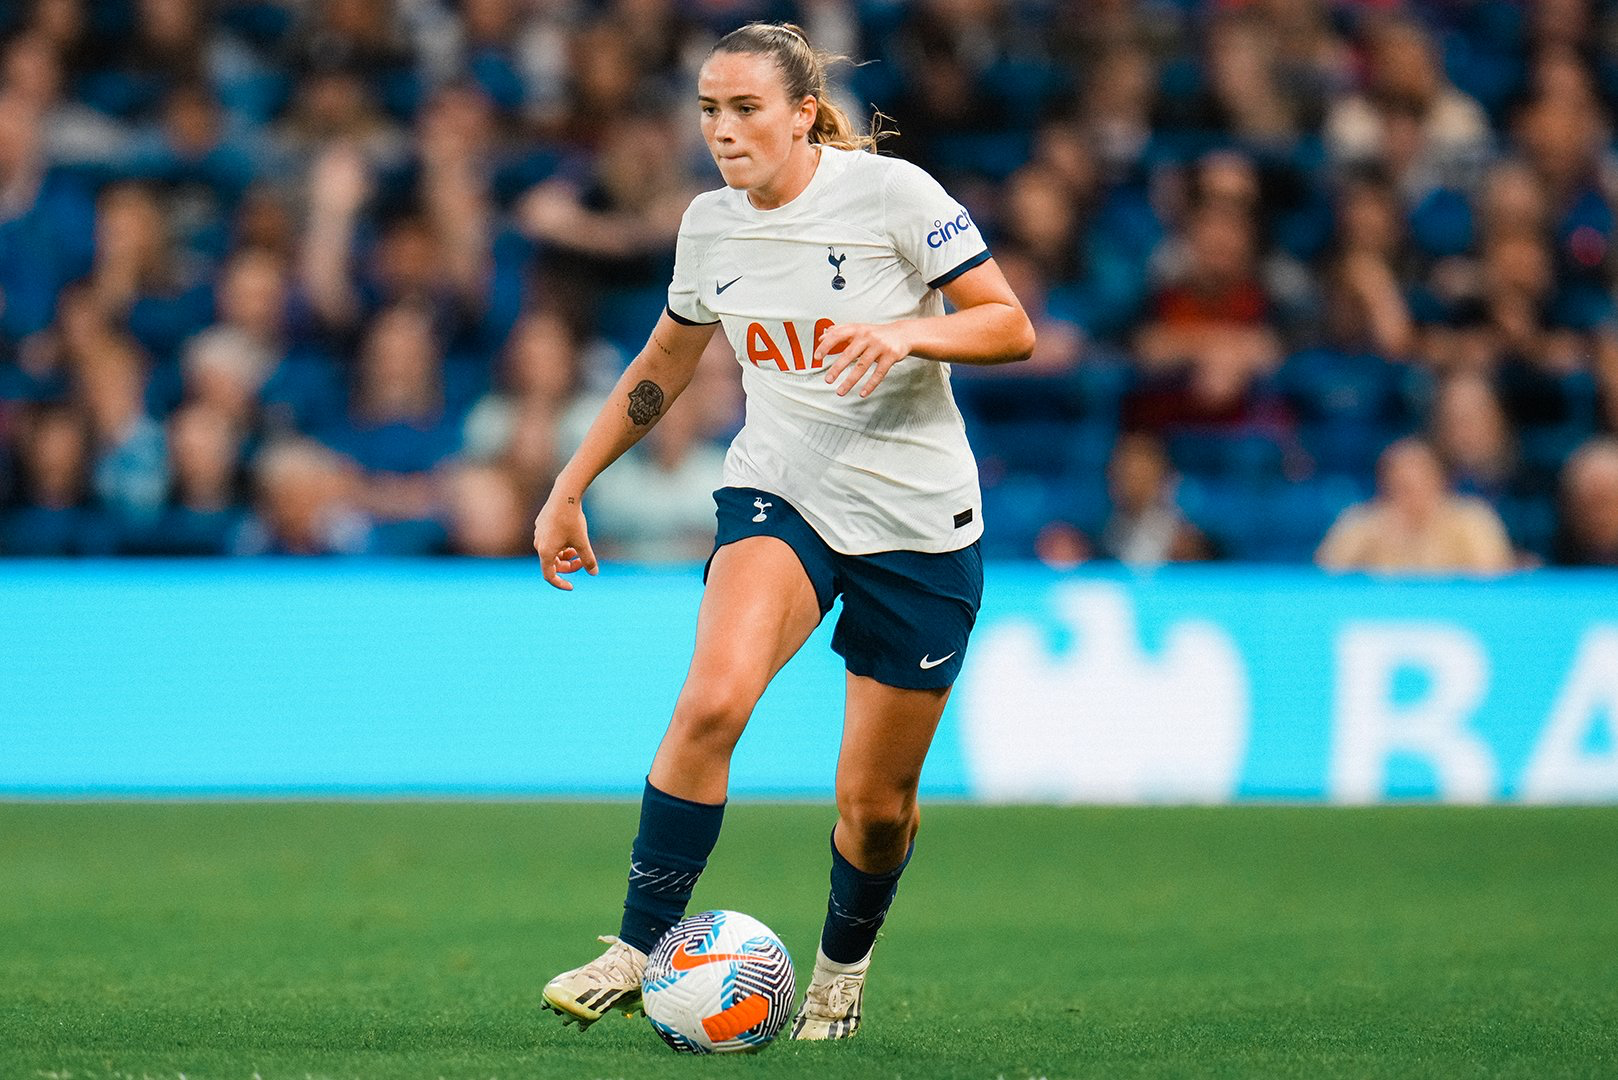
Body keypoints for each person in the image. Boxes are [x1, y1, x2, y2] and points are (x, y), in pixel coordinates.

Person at [530, 22, 1033, 1042]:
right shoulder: (711, 225)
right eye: (709, 109)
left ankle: (840, 970)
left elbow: (1008, 324)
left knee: (875, 805)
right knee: (712, 699)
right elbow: (664, 363)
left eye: (745, 107)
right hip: (781, 494)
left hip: (915, 524)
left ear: (804, 112)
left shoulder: (893, 196)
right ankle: (635, 948)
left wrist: (903, 330)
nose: (722, 129)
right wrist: (568, 485)